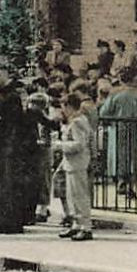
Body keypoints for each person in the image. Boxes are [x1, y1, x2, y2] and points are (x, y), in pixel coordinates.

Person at [0, 82, 28, 233]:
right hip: (5, 153)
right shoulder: (13, 118)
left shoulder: (8, 112)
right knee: (4, 188)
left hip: (6, 154)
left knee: (6, 188)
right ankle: (3, 221)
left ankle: (8, 222)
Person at [52, 93, 95, 241]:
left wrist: (59, 145)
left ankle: (85, 226)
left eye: (64, 107)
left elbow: (79, 144)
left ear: (70, 106)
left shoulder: (77, 122)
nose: (62, 111)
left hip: (78, 163)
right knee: (72, 196)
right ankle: (77, 224)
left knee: (79, 195)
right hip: (71, 163)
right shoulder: (74, 121)